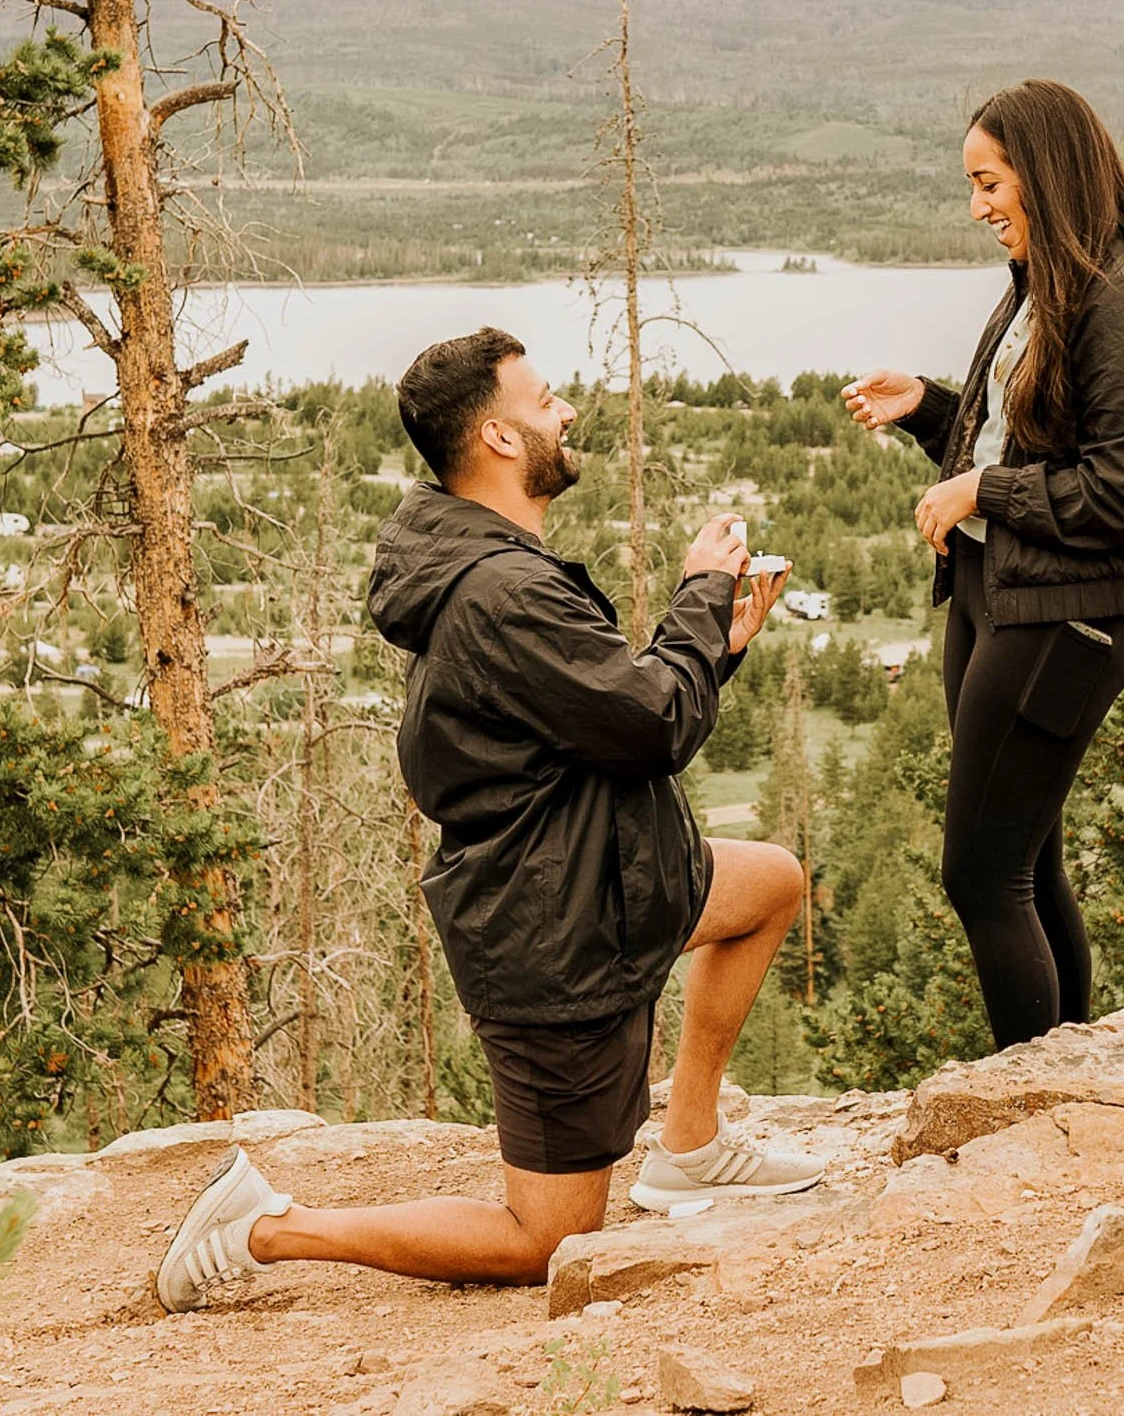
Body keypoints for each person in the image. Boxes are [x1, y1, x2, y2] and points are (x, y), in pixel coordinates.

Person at [155, 328, 823, 1313]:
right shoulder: (504, 591)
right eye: (546, 400)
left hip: (608, 874)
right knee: (544, 1238)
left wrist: (709, 648)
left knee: (769, 885)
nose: (564, 412)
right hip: (554, 932)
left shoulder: (486, 559)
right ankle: (260, 1228)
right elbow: (651, 724)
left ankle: (691, 1147)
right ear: (501, 439)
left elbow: (608, 711)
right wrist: (694, 597)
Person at [842, 79, 1124, 1052]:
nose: (977, 208)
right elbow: (1028, 446)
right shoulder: (1048, 284)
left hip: (1067, 621)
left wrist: (980, 496)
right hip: (1000, 593)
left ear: (1044, 175)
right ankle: (1072, 1074)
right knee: (1026, 856)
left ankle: (1031, 1096)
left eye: (988, 184)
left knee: (979, 874)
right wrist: (931, 407)